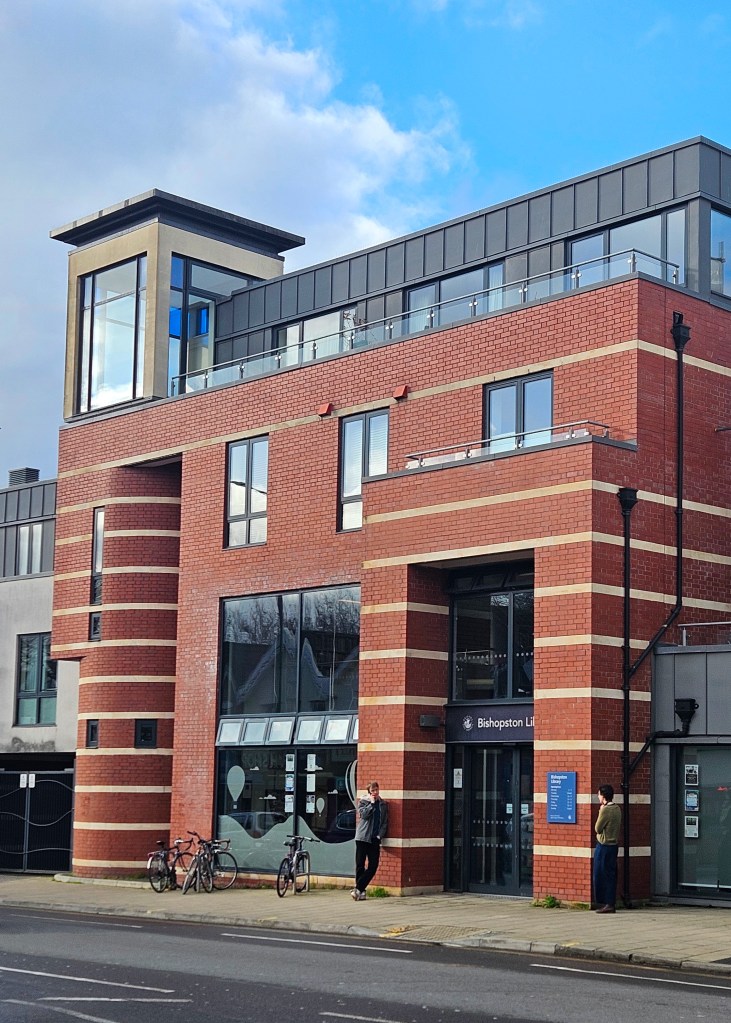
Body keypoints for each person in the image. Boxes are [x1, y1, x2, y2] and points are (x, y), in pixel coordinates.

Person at [352, 780, 388, 901]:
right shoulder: (363, 802)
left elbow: (384, 822)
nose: (375, 792)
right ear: (369, 792)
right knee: (360, 865)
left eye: (377, 790)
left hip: (374, 839)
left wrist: (379, 835)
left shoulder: (382, 804)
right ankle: (361, 892)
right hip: (362, 837)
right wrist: (371, 804)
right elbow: (364, 815)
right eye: (373, 790)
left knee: (373, 866)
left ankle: (357, 888)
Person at [594, 783, 621, 914]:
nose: (598, 796)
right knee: (611, 874)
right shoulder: (617, 808)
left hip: (604, 846)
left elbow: (597, 828)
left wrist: (600, 811)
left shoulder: (605, 810)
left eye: (599, 794)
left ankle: (607, 903)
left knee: (601, 875)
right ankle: (610, 902)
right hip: (614, 845)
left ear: (603, 796)